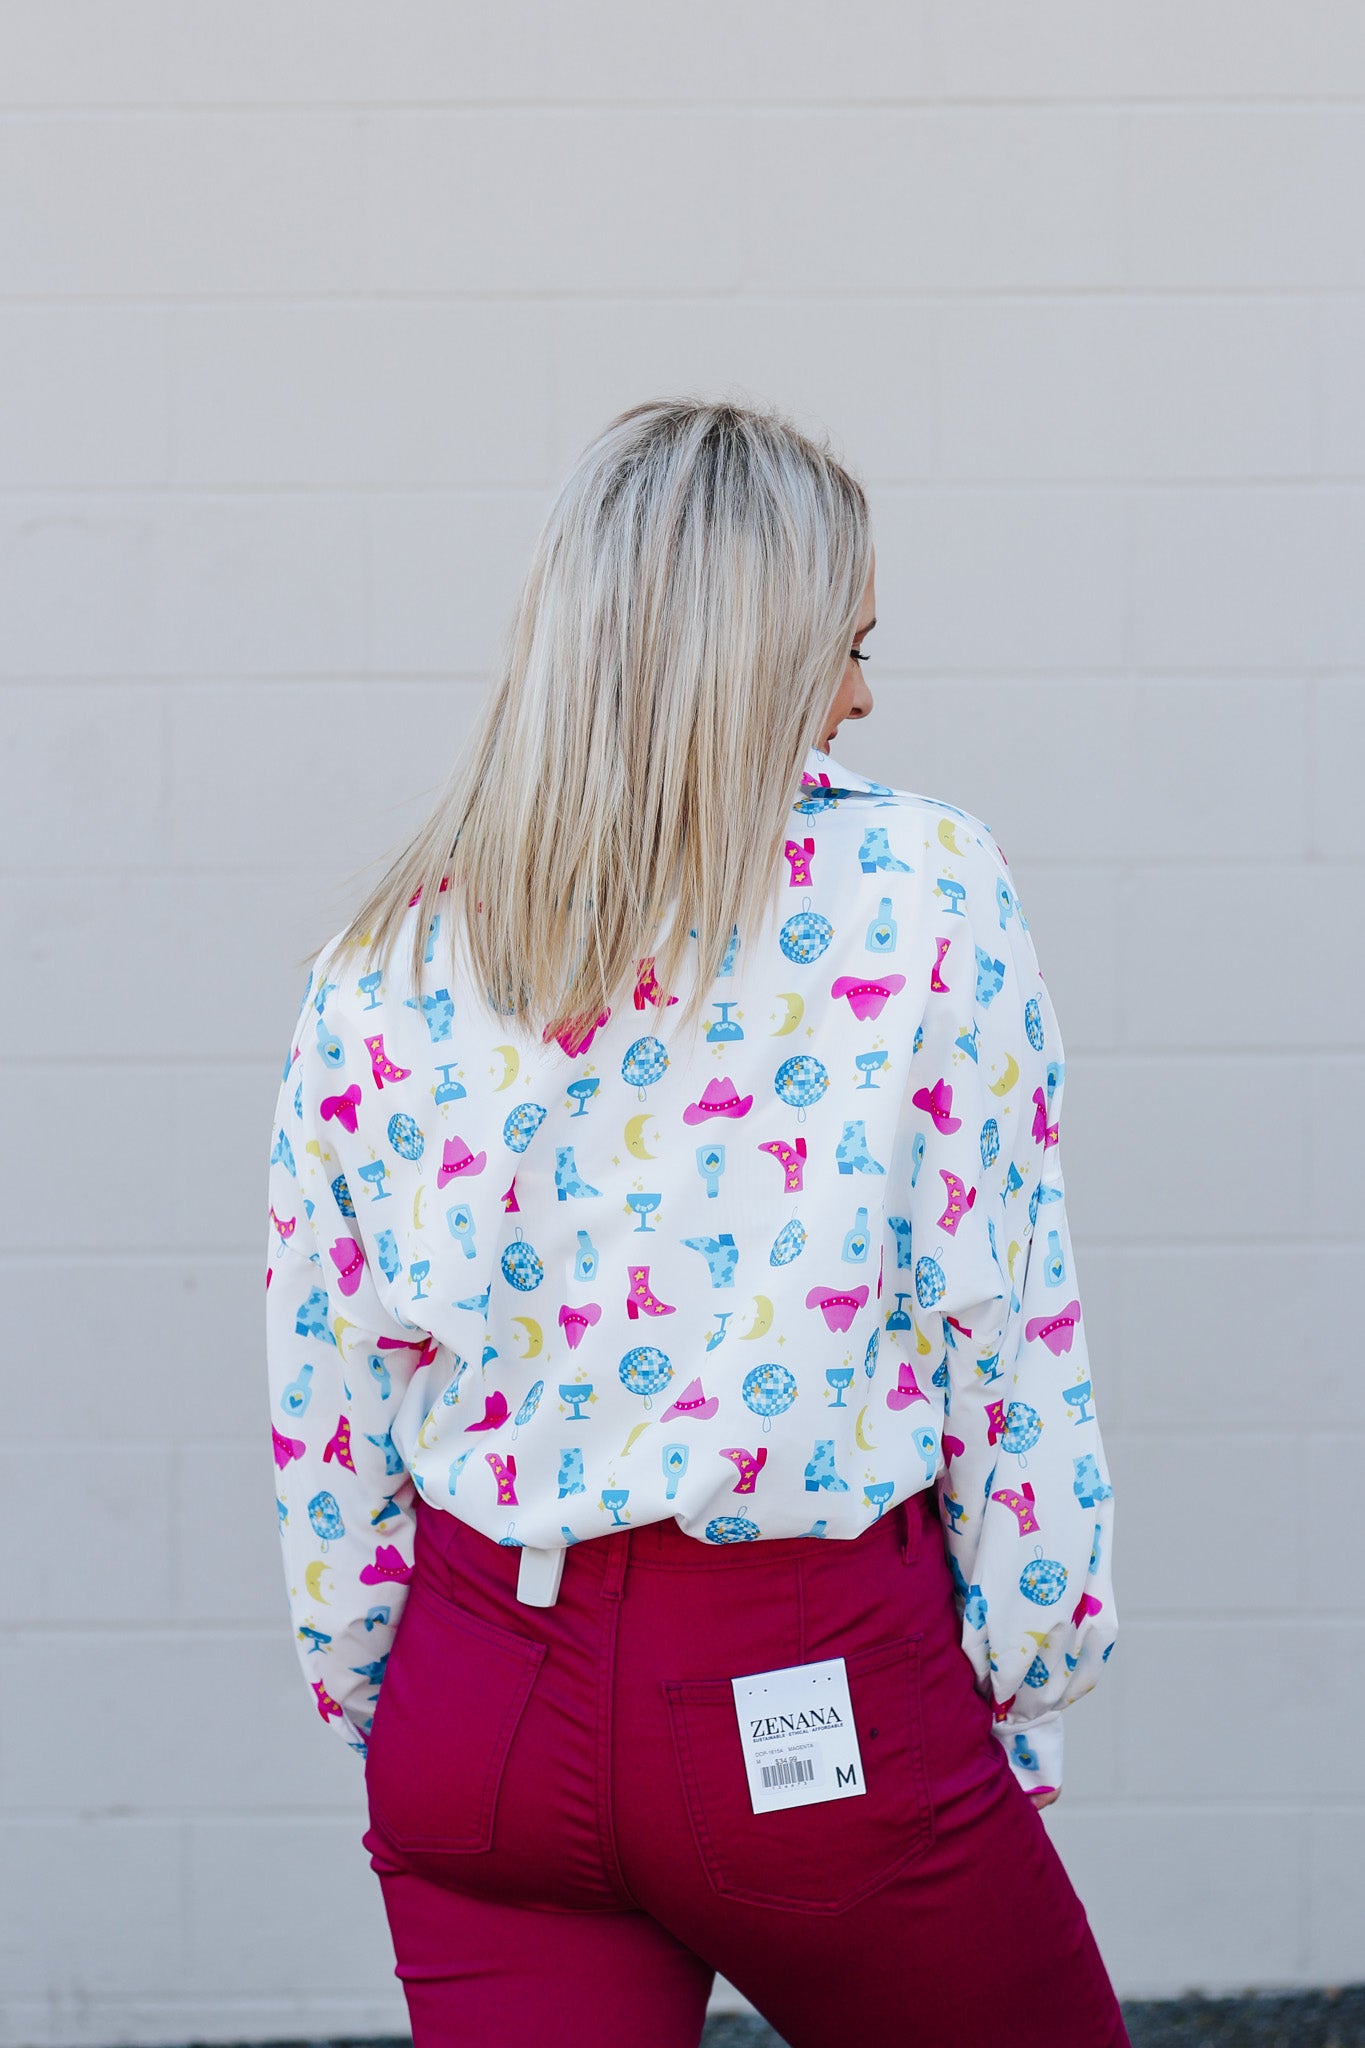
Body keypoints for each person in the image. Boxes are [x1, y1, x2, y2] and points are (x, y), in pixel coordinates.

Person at [264, 397, 1128, 2048]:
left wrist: (380, 1687)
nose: (865, 694)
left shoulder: (381, 956)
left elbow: (330, 1384)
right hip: (806, 1686)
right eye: (845, 644)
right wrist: (1026, 1671)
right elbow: (1001, 1326)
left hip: (472, 1713)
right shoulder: (926, 891)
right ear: (761, 651)